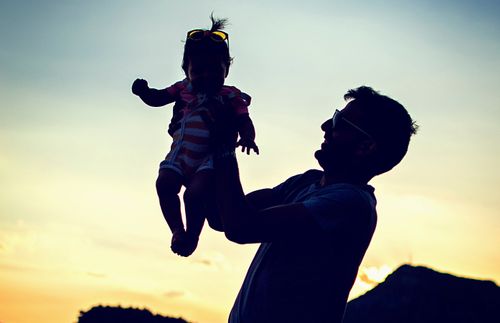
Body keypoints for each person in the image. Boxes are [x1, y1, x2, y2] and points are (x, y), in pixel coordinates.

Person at [213, 86, 418, 323]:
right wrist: (199, 150)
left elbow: (240, 226)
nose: (325, 126)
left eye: (339, 121)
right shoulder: (305, 182)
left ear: (366, 146)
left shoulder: (351, 204)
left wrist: (223, 146)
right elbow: (222, 217)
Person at [131, 15, 259, 257]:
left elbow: (244, 118)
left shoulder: (230, 95)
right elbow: (158, 98)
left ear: (226, 70)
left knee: (194, 195)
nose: (206, 76)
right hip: (181, 152)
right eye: (197, 70)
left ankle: (193, 235)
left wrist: (248, 137)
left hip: (208, 158)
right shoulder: (182, 89)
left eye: (214, 70)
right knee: (164, 184)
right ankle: (177, 230)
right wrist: (144, 93)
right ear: (186, 71)